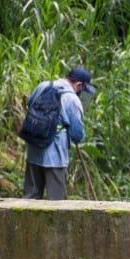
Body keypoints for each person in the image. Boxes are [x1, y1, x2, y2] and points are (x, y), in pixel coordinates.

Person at [22, 66, 95, 200]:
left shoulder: (43, 86)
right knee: (57, 200)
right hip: (55, 156)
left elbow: (30, 103)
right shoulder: (72, 99)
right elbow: (77, 133)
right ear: (79, 85)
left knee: (30, 196)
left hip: (34, 150)